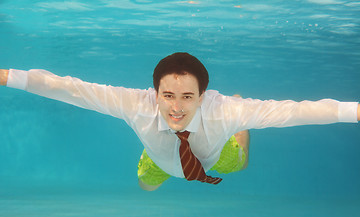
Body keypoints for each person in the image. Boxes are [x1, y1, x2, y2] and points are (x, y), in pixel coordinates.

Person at [0, 52, 359, 191]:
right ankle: (154, 161)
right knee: (146, 186)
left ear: (203, 95)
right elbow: (70, 89)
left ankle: (241, 136)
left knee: (241, 161)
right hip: (158, 161)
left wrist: (354, 110)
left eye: (187, 97)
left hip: (217, 157)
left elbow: (298, 111)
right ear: (154, 92)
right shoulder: (136, 104)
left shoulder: (223, 111)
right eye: (168, 95)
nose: (176, 108)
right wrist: (6, 76)